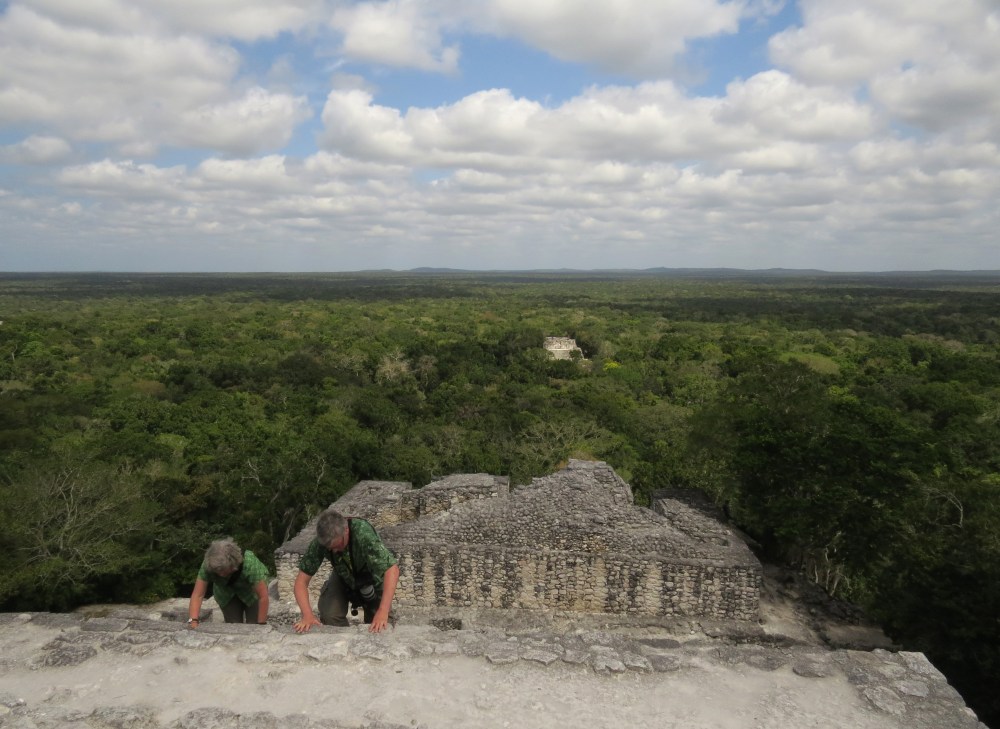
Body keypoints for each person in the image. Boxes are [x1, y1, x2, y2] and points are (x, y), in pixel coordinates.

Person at [293, 509, 399, 634]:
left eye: (338, 545)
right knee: (330, 614)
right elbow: (301, 582)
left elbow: (392, 570)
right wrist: (307, 615)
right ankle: (343, 638)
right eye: (330, 548)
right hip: (343, 574)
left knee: (381, 624)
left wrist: (383, 611)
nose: (334, 551)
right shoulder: (321, 542)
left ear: (346, 530)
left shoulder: (363, 533)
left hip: (372, 575)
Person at [187, 538, 270, 628]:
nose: (221, 574)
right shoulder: (209, 564)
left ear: (234, 564)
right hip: (225, 593)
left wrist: (261, 626)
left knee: (254, 624)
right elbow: (198, 595)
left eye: (224, 570)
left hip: (251, 592)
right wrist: (193, 621)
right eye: (217, 571)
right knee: (233, 626)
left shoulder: (250, 563)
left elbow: (263, 596)